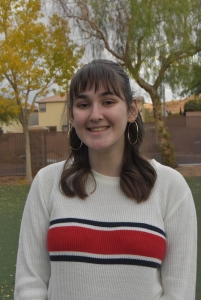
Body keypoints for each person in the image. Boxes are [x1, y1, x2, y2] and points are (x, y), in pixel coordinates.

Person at [14, 60, 197, 300]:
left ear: (132, 110)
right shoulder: (47, 182)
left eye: (108, 101)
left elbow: (179, 293)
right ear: (71, 115)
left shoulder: (171, 188)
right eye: (83, 104)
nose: (95, 115)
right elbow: (30, 286)